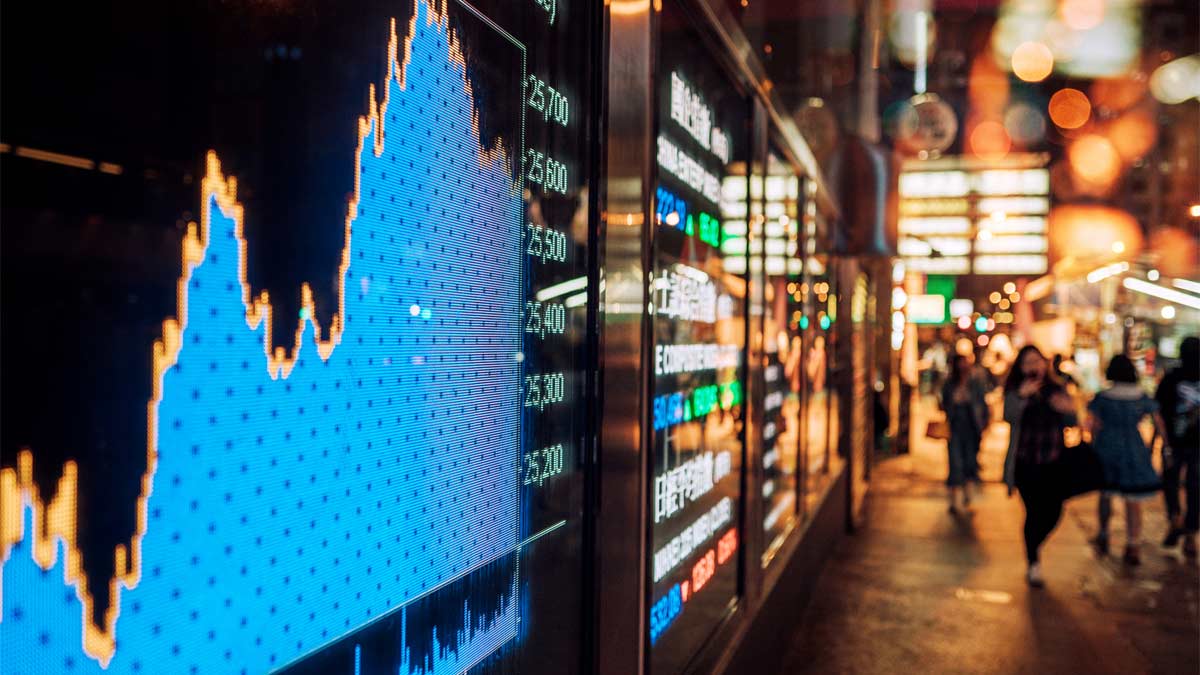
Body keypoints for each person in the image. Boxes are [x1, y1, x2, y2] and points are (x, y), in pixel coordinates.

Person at [1003, 345, 1078, 587]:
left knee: (1054, 512)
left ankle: (1034, 544)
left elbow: (1072, 420)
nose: (1033, 366)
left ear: (1045, 364)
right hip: (1025, 462)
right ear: (1020, 368)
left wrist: (1068, 410)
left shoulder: (1057, 389)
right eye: (1027, 363)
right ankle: (1033, 562)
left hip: (1054, 462)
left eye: (1037, 361)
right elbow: (1008, 416)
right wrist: (1022, 397)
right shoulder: (1016, 391)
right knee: (1033, 512)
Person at [1088, 355, 1169, 564]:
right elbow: (1158, 422)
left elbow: (1093, 424)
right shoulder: (1141, 396)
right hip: (1134, 447)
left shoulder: (1104, 397)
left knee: (1105, 493)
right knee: (1133, 499)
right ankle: (1133, 543)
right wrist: (1159, 446)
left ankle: (1103, 533)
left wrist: (1091, 445)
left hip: (1107, 446)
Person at [1156, 336, 1199, 558]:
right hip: (1192, 444)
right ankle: (1190, 534)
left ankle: (1175, 519)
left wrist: (1160, 439)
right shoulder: (1173, 377)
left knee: (1171, 483)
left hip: (1174, 442)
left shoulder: (1171, 376)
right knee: (1194, 488)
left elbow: (1158, 411)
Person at [941, 354, 987, 513]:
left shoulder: (975, 382)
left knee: (970, 461)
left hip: (971, 427)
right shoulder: (950, 383)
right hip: (955, 426)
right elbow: (943, 402)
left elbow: (982, 404)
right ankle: (953, 500)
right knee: (955, 463)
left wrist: (983, 424)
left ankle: (967, 495)